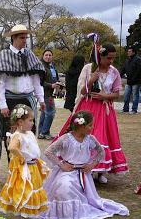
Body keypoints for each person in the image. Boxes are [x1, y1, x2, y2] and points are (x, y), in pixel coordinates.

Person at [39, 111, 129, 219]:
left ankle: (75, 211)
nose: (92, 127)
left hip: (83, 175)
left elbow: (101, 152)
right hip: (67, 173)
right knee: (64, 187)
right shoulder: (66, 138)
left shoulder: (90, 139)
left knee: (82, 195)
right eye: (90, 125)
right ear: (81, 126)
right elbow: (49, 152)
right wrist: (62, 164)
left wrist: (92, 165)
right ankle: (65, 214)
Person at [56, 43, 128, 183]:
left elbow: (117, 93)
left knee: (102, 138)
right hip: (87, 107)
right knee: (83, 136)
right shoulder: (88, 69)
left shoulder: (114, 72)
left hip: (104, 110)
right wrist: (91, 81)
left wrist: (105, 96)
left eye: (113, 58)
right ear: (100, 56)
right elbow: (82, 91)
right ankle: (80, 167)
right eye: (108, 58)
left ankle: (101, 172)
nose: (111, 61)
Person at [0, 24, 45, 160]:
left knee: (28, 133)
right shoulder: (4, 55)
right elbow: (0, 83)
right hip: (10, 101)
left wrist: (41, 99)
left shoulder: (29, 55)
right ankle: (13, 168)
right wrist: (2, 105)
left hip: (27, 100)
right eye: (21, 37)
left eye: (26, 37)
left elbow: (36, 80)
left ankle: (28, 165)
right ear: (13, 38)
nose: (24, 40)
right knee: (11, 135)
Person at [0, 104, 49, 219]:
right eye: (30, 120)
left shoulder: (30, 133)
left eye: (32, 120)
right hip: (23, 170)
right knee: (21, 191)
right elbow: (12, 148)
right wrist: (21, 157)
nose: (32, 123)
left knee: (33, 191)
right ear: (20, 122)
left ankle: (30, 218)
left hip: (33, 168)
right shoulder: (17, 135)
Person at [38, 50, 59, 140]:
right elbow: (40, 82)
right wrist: (51, 85)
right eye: (46, 55)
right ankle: (44, 132)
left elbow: (54, 78)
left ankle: (41, 132)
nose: (48, 57)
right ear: (43, 56)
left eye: (50, 55)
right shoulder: (41, 67)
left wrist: (58, 84)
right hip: (45, 93)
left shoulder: (52, 67)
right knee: (50, 113)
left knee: (44, 113)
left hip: (50, 92)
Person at [120, 45, 141, 114]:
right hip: (128, 82)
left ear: (133, 52)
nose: (128, 52)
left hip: (136, 82)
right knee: (126, 96)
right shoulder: (127, 60)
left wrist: (134, 78)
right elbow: (123, 70)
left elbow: (139, 70)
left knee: (135, 97)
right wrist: (119, 76)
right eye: (128, 51)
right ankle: (125, 109)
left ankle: (134, 110)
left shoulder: (138, 59)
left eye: (129, 51)